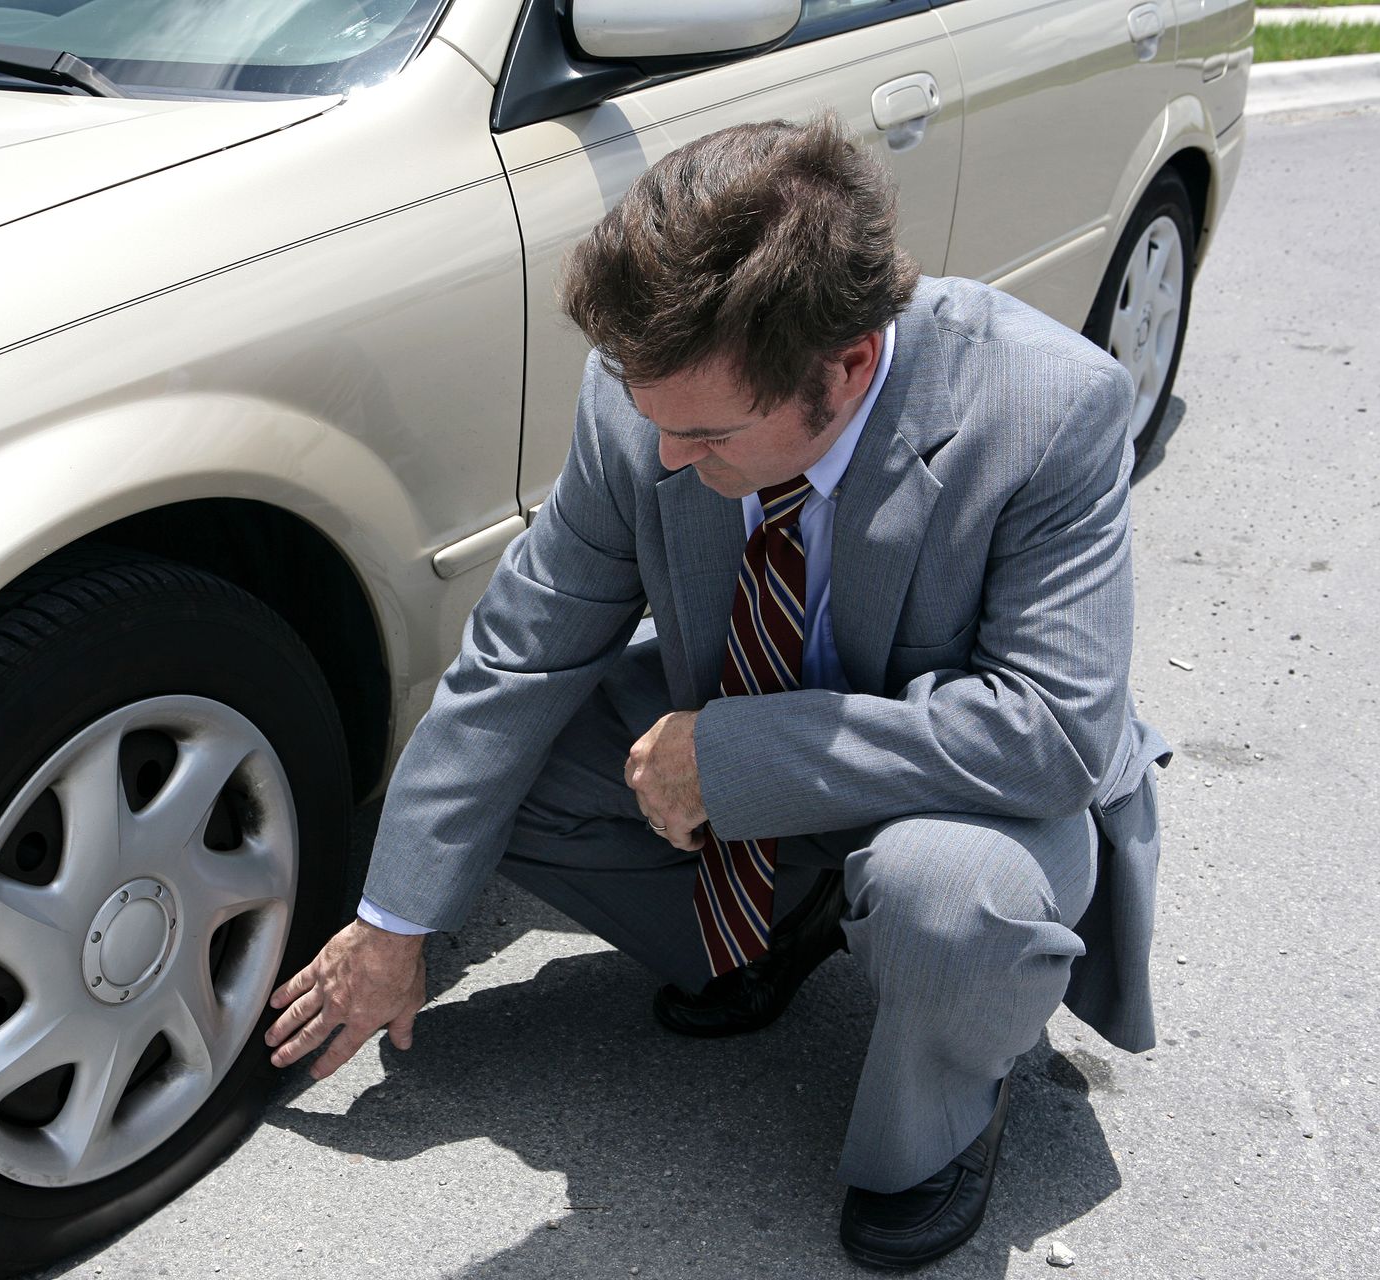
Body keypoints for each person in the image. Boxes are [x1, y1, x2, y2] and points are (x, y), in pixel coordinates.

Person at [265, 114, 1170, 1270]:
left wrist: (733, 757)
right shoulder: (644, 405)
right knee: (506, 758)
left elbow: (1054, 734)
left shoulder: (1050, 407)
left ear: (843, 369)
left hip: (976, 791)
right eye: (652, 419)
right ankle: (781, 925)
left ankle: (943, 1109)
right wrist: (394, 924)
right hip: (770, 711)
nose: (670, 460)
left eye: (705, 434)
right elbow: (519, 659)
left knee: (946, 900)